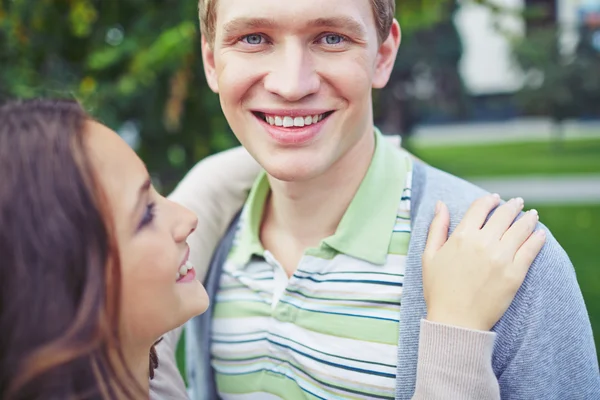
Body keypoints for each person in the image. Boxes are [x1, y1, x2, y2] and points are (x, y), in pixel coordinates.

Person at [151, 0, 600, 399]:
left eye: (331, 37)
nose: (291, 84)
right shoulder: (203, 247)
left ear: (383, 55)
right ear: (212, 61)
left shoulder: (508, 261)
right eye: (253, 38)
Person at [0, 99, 540, 399]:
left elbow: (208, 192)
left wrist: (317, 131)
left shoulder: (134, 370)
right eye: (145, 212)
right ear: (65, 283)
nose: (184, 217)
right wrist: (456, 333)